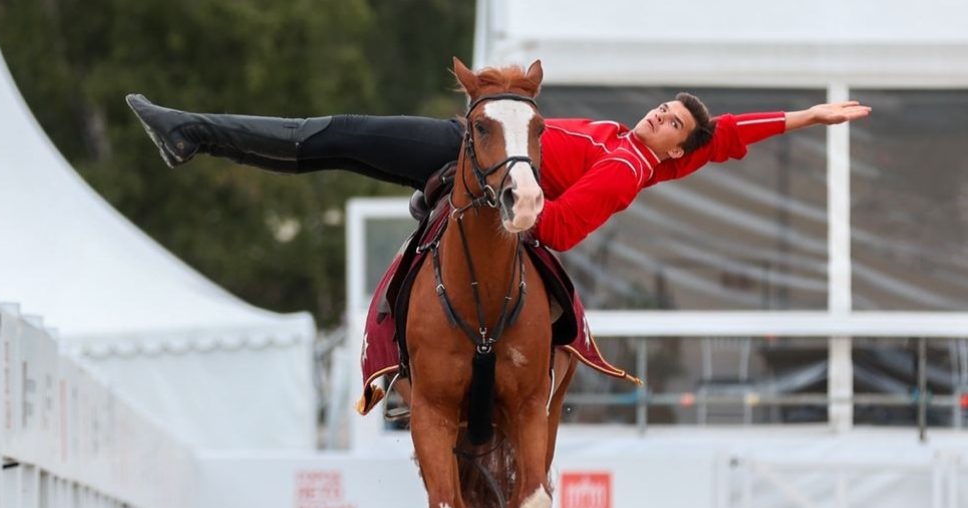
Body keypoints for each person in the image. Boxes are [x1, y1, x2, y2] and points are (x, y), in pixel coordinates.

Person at [124, 89, 870, 252]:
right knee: (341, 144)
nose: (658, 117)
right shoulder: (626, 140)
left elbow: (564, 228)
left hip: (478, 167)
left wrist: (519, 198)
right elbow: (730, 131)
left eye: (672, 122)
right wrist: (804, 117)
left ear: (678, 148)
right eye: (664, 107)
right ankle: (195, 138)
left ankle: (193, 131)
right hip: (478, 156)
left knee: (341, 135)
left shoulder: (627, 169)